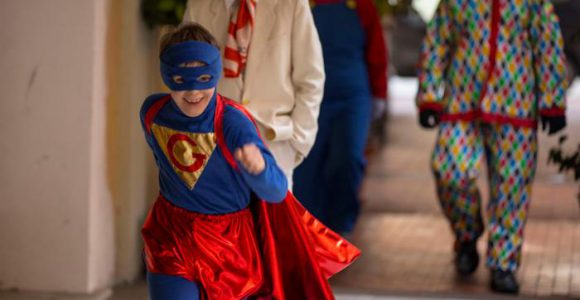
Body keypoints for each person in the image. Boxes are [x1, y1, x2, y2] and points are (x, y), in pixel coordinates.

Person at [140, 23, 359, 300]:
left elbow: (277, 191)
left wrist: (259, 169)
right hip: (171, 234)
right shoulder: (153, 113)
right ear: (166, 75)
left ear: (217, 73)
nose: (193, 92)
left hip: (227, 245)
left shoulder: (233, 122)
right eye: (181, 80)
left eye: (204, 77)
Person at [416, 0, 568, 294]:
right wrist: (430, 93)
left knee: (512, 187)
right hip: (462, 100)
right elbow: (438, 39)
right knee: (449, 171)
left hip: (516, 103)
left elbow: (547, 41)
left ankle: (504, 263)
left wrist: (552, 99)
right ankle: (467, 234)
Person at [181, 0, 325, 188]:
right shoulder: (198, 6)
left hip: (274, 146)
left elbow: (311, 78)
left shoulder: (292, 4)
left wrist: (296, 143)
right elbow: (184, 76)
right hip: (214, 147)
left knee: (271, 217)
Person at [293, 0, 388, 234]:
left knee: (348, 160)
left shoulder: (361, 6)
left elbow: (377, 51)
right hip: (310, 98)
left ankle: (340, 228)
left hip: (352, 97)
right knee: (306, 165)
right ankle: (311, 232)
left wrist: (379, 93)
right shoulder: (301, 5)